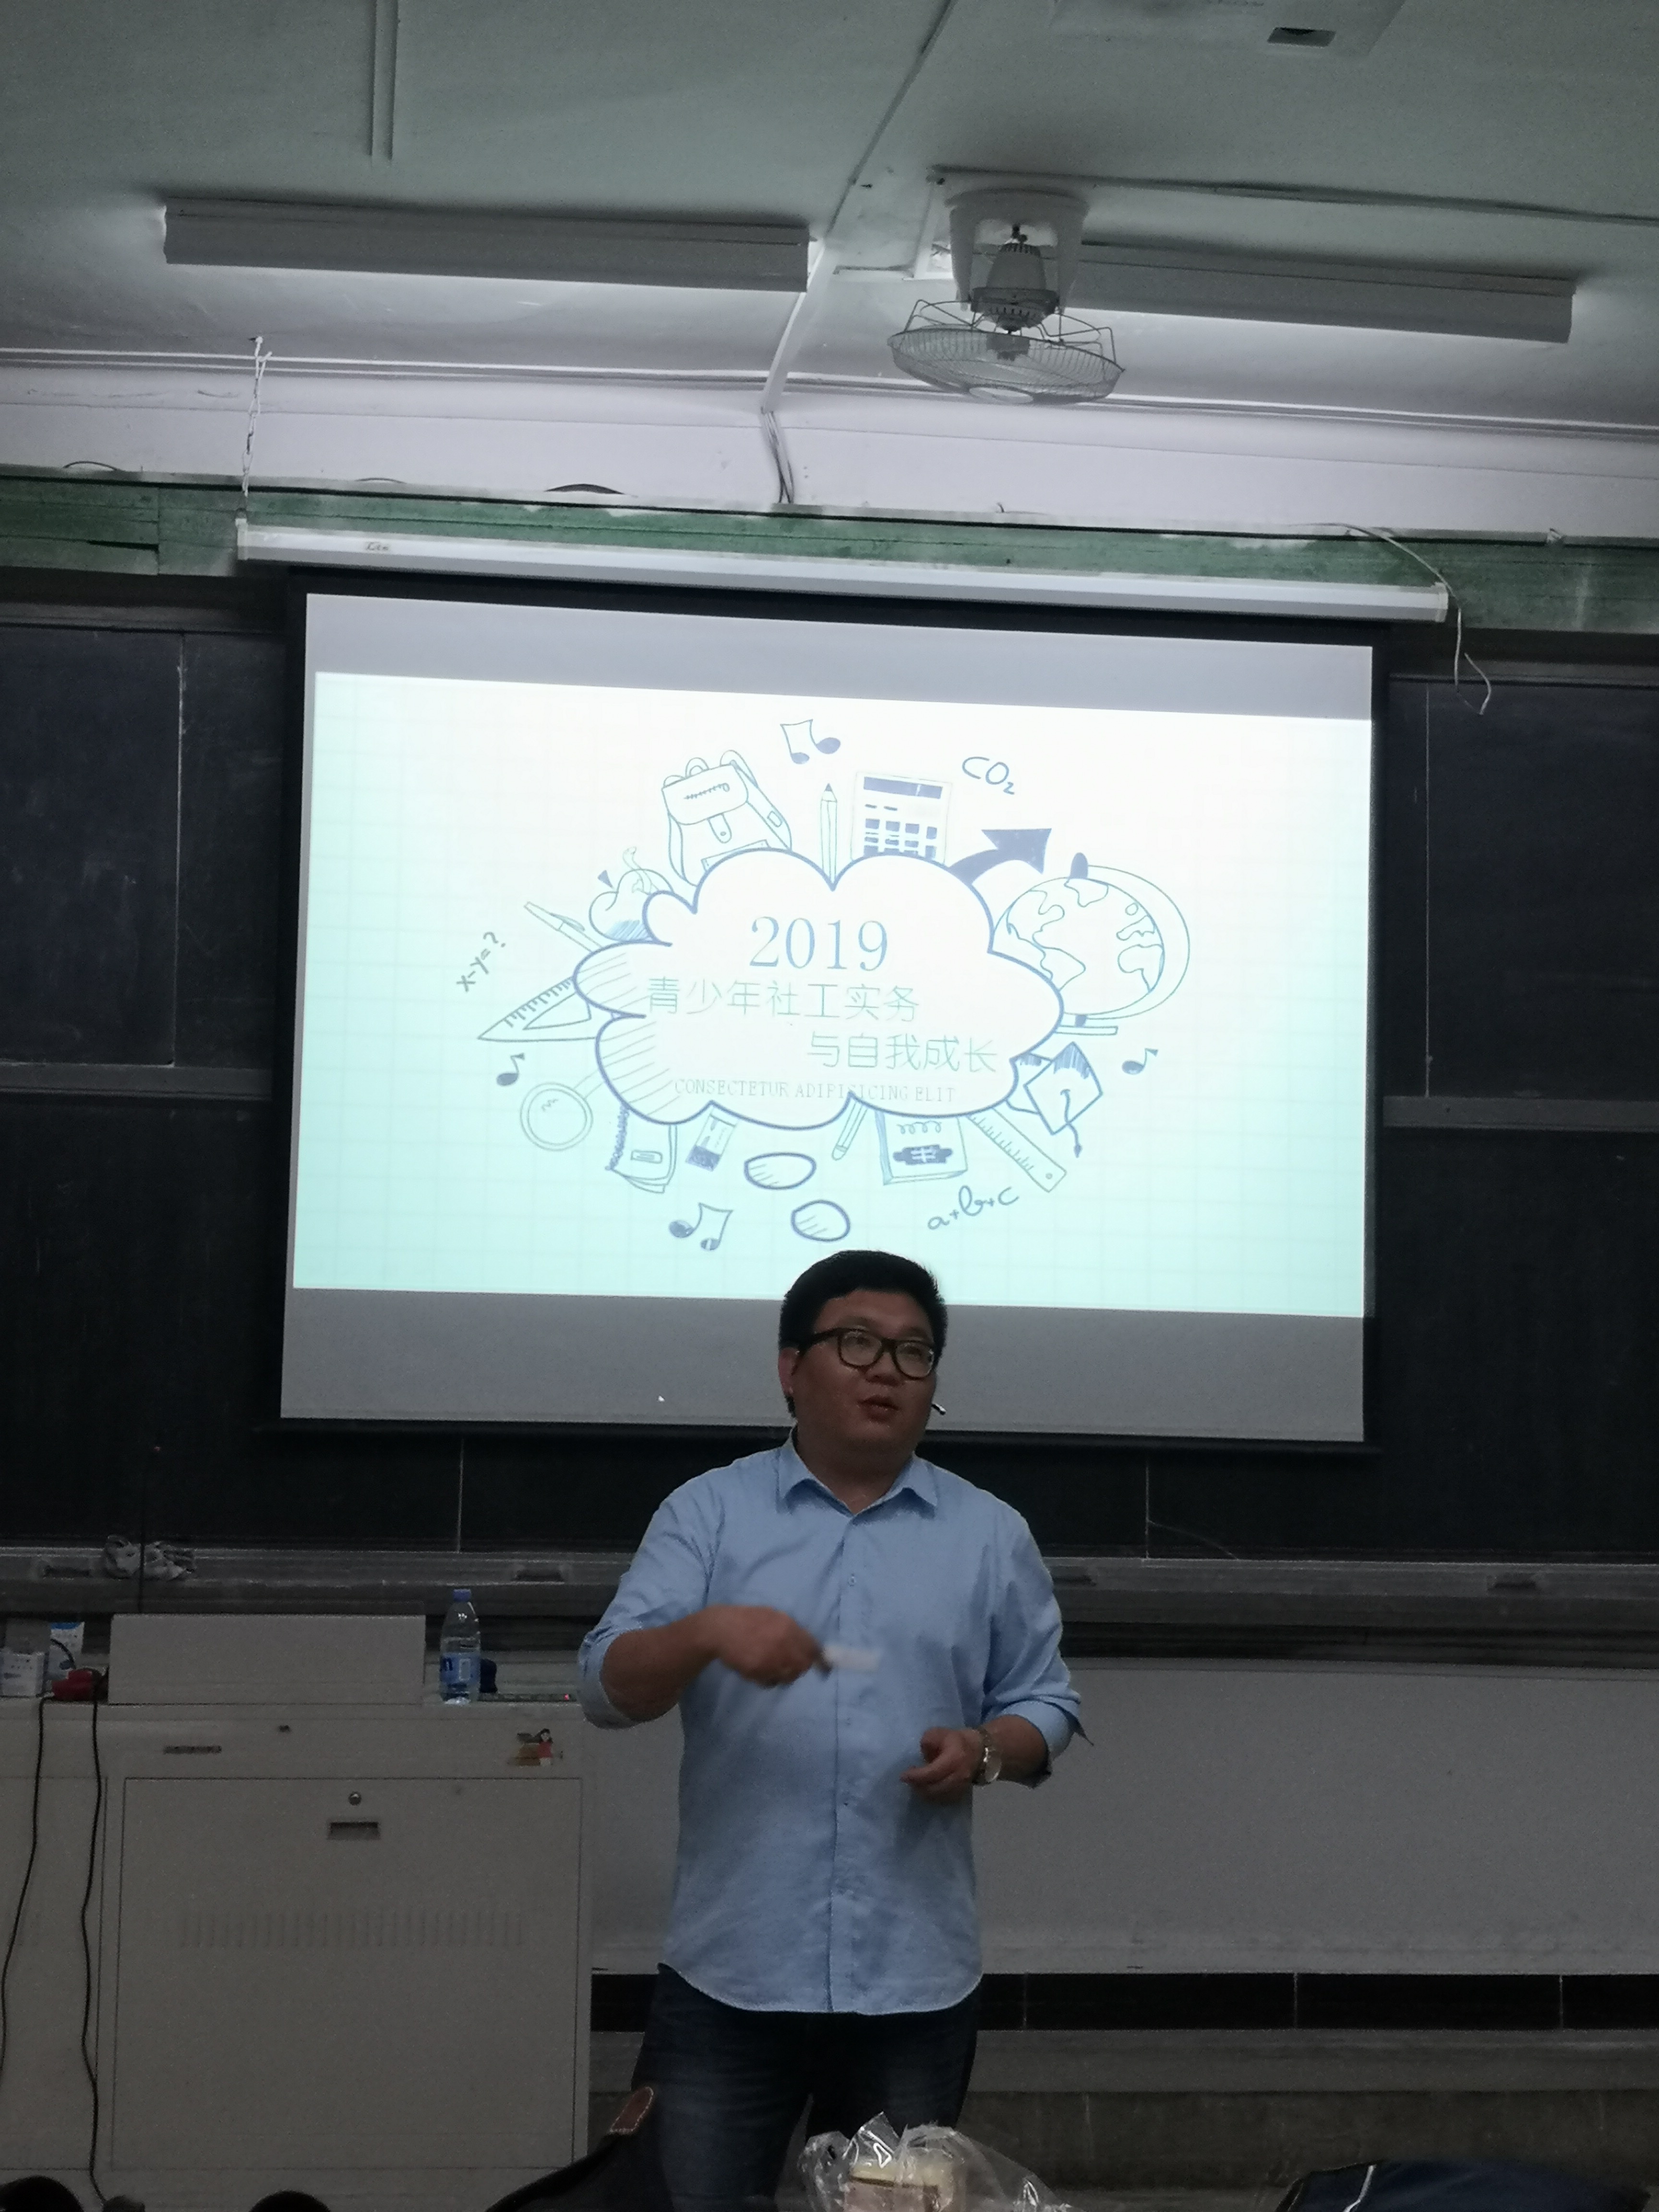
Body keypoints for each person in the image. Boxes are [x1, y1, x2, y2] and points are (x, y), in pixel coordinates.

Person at [577, 1250, 1080, 2212]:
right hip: (731, 1976)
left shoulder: (988, 1534)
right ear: (790, 1368)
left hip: (912, 1983)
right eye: (857, 1344)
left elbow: (1046, 1707)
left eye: (913, 1353)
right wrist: (705, 1632)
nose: (886, 1371)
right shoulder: (709, 1513)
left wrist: (984, 1752)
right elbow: (606, 1687)